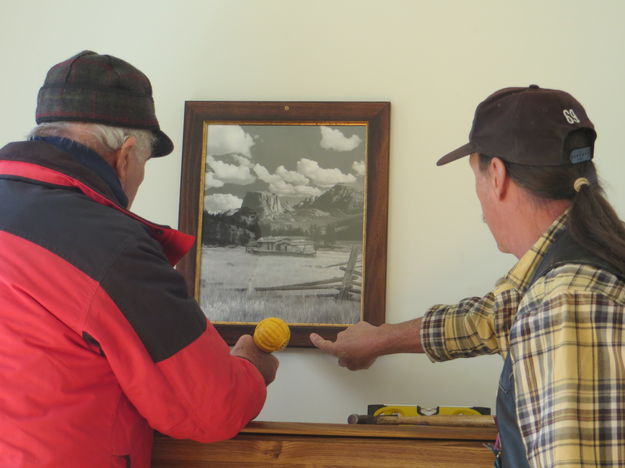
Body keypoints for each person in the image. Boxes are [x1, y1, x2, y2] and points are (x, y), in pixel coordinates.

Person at [311, 85, 625, 467]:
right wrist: (380, 339)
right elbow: (493, 318)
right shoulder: (580, 263)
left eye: (474, 176)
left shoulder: (565, 303)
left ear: (496, 174)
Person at [0, 50, 278, 467]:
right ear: (126, 154)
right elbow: (210, 408)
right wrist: (250, 367)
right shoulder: (107, 247)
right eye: (145, 162)